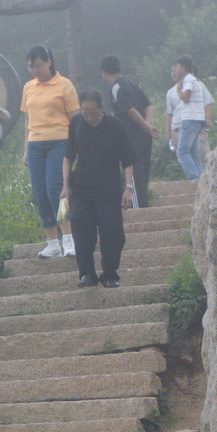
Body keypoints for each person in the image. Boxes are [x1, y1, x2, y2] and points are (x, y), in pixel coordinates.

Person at [61, 89, 135, 289]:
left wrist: (128, 188)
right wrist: (65, 185)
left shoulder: (114, 126)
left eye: (93, 112)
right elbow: (68, 157)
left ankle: (110, 274)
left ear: (102, 108)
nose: (89, 117)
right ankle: (86, 274)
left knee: (112, 234)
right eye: (85, 112)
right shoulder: (76, 124)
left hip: (109, 189)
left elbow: (127, 161)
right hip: (82, 188)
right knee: (81, 232)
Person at [20, 45, 79, 258]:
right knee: (40, 192)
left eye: (38, 65)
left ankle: (69, 238)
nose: (35, 70)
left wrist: (76, 147)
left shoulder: (65, 85)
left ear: (49, 62)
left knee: (56, 188)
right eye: (30, 67)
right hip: (35, 144)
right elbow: (27, 119)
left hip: (59, 141)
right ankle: (52, 242)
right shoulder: (28, 87)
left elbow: (75, 118)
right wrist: (26, 148)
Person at [100, 56, 159, 208]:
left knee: (134, 174)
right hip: (144, 136)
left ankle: (139, 212)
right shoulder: (133, 84)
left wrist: (145, 125)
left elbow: (129, 110)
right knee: (143, 174)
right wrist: (147, 124)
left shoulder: (116, 88)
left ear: (104, 72)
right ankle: (143, 207)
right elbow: (149, 106)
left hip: (130, 136)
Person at [165, 64, 214, 166]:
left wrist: (207, 118)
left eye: (175, 70)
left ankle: (200, 177)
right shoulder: (170, 92)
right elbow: (169, 113)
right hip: (177, 128)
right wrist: (168, 132)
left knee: (202, 154)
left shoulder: (197, 84)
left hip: (194, 124)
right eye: (171, 71)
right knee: (184, 157)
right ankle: (193, 178)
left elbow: (207, 101)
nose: (173, 73)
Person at [173, 54, 206, 179]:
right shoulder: (193, 79)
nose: (175, 69)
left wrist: (178, 91)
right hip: (197, 119)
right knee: (193, 152)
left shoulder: (188, 80)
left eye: (177, 66)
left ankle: (194, 178)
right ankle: (202, 178)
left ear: (184, 67)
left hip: (190, 119)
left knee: (182, 152)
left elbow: (186, 98)